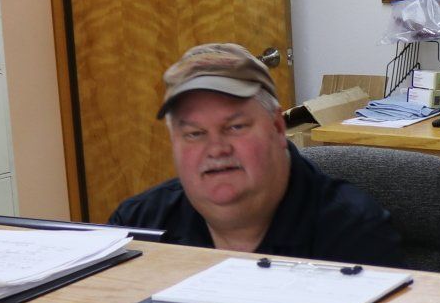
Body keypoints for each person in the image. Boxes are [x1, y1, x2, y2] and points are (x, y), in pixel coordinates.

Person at [110, 43, 401, 266]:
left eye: (235, 127)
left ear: (277, 127)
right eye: (194, 133)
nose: (216, 149)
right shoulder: (136, 227)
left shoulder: (354, 235)